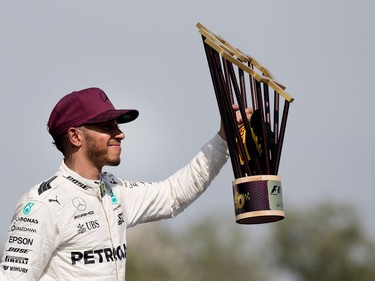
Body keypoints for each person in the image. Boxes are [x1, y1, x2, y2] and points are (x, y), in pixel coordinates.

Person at [0, 87, 250, 281]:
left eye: (117, 126)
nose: (120, 133)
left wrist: (223, 140)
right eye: (107, 127)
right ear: (75, 136)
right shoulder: (41, 205)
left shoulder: (114, 191)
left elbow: (174, 195)